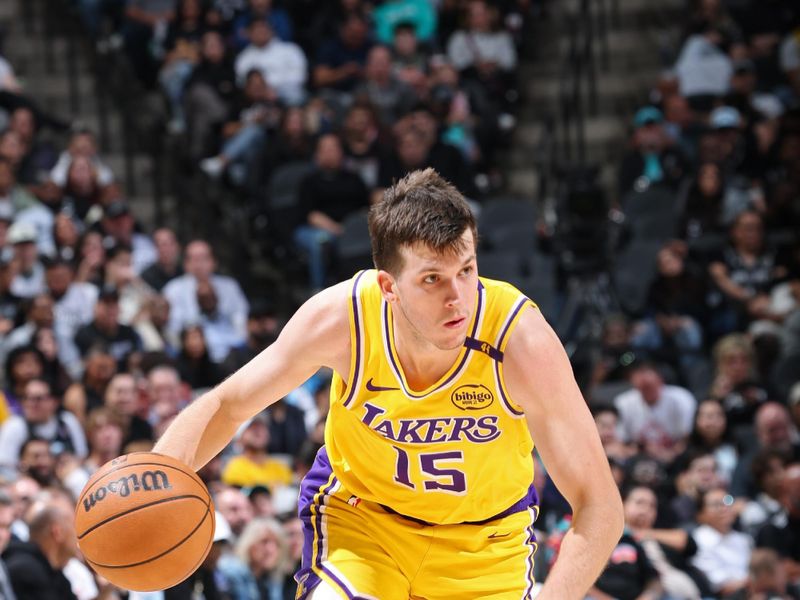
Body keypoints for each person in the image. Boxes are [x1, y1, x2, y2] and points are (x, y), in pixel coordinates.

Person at [154, 169, 624, 599]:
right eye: (432, 279)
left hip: (485, 546)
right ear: (389, 286)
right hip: (364, 524)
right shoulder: (341, 319)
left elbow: (599, 506)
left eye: (467, 270)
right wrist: (154, 479)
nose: (457, 298)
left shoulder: (521, 342)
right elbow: (228, 404)